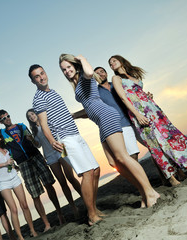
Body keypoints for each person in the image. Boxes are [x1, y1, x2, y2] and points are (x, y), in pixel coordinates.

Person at [59, 54, 160, 208]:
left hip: (107, 116)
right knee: (114, 162)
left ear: (75, 66)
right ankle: (143, 192)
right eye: (63, 70)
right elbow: (88, 109)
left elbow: (88, 72)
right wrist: (73, 116)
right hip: (100, 122)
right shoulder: (77, 85)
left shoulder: (84, 78)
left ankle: (150, 192)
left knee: (124, 157)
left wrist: (82, 59)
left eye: (69, 67)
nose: (67, 71)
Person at [109, 54, 187, 185]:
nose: (112, 63)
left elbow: (137, 93)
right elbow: (124, 98)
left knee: (168, 137)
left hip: (154, 110)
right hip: (140, 113)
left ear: (121, 61)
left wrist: (147, 95)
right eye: (110, 63)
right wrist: (137, 115)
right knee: (154, 144)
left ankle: (182, 167)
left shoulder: (133, 77)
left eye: (114, 60)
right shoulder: (116, 78)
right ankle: (171, 178)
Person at [29, 64, 102, 225]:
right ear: (33, 81)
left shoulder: (53, 92)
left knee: (95, 170)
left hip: (76, 135)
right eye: (37, 76)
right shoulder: (38, 98)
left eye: (42, 73)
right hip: (64, 139)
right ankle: (91, 215)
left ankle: (94, 208)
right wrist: (53, 141)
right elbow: (44, 124)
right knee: (86, 172)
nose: (41, 77)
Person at [0, 107, 65, 230]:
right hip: (23, 163)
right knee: (35, 194)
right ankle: (46, 224)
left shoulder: (22, 126)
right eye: (3, 118)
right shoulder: (1, 134)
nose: (7, 119)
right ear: (0, 122)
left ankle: (60, 214)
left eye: (7, 116)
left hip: (36, 157)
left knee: (49, 186)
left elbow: (35, 140)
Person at [26, 108, 81, 218]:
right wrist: (32, 140)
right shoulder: (34, 131)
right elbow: (38, 145)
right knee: (62, 182)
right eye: (29, 116)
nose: (32, 116)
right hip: (50, 157)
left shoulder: (46, 122)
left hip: (61, 150)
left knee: (70, 177)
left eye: (32, 114)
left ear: (36, 113)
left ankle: (85, 197)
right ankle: (73, 207)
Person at [0, 131, 37, 239]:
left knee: (25, 205)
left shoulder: (6, 150)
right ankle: (20, 236)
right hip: (3, 183)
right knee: (13, 209)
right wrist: (5, 164)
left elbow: (11, 164)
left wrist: (13, 165)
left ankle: (33, 230)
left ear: (0, 138)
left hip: (14, 178)